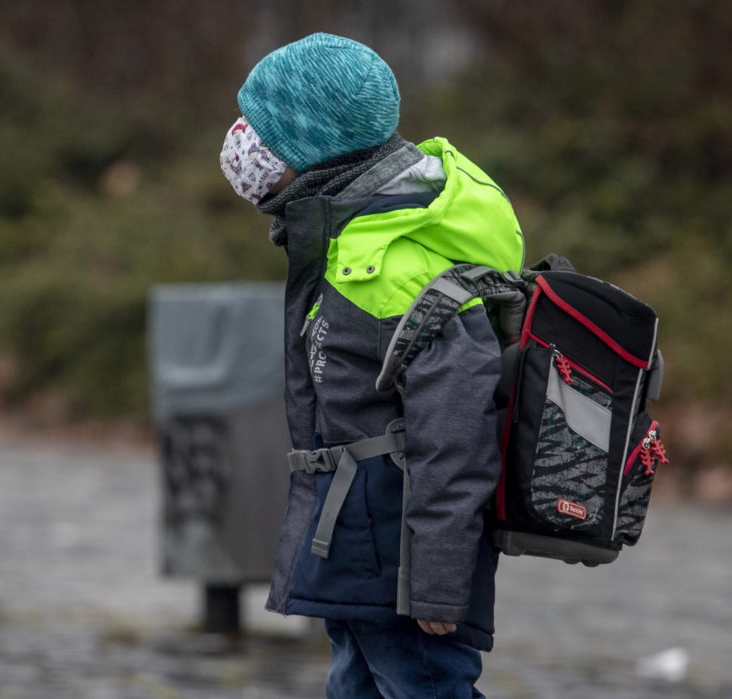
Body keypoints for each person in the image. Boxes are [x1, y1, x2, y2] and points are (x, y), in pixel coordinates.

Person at [219, 33, 524, 698]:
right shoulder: (346, 239)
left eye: (260, 130)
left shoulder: (396, 263)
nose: (240, 142)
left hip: (402, 562)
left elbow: (457, 435)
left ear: (313, 148)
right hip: (356, 547)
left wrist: (438, 583)